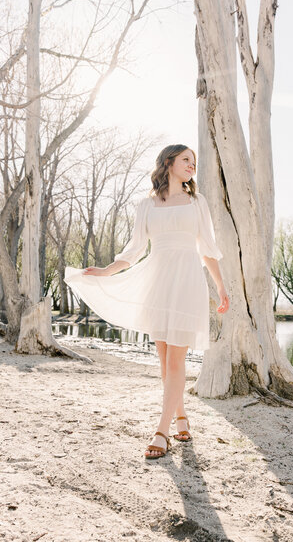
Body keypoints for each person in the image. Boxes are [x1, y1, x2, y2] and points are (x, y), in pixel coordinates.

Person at [64, 144, 229, 459]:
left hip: (186, 282)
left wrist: (221, 287)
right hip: (157, 282)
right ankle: (181, 417)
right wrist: (105, 271)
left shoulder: (198, 202)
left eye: (194, 161)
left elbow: (207, 248)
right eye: (186, 160)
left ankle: (162, 431)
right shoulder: (146, 205)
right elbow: (134, 250)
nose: (192, 165)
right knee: (165, 361)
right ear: (169, 163)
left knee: (176, 360)